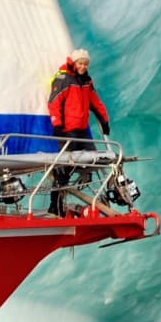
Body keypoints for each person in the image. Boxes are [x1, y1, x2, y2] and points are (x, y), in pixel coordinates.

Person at [46, 48, 110, 215]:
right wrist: (57, 125)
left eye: (85, 64)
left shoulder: (86, 81)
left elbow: (95, 102)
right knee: (65, 168)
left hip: (81, 130)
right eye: (80, 63)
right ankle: (55, 204)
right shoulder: (64, 79)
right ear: (74, 63)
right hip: (67, 130)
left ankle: (90, 193)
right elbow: (54, 103)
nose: (83, 66)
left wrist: (104, 120)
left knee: (93, 160)